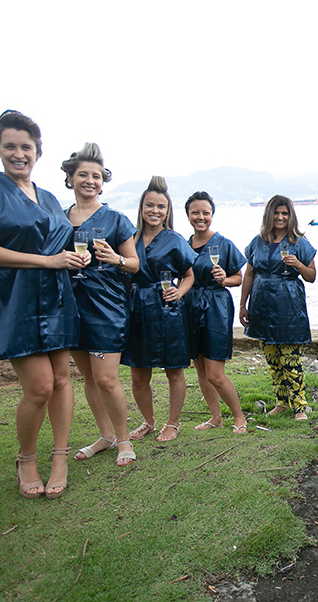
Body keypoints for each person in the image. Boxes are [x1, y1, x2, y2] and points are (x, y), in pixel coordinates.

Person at [0, 110, 83, 498]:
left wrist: (75, 259)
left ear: (37, 152)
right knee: (40, 386)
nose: (18, 153)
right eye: (9, 146)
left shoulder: (49, 199)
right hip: (14, 297)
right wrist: (48, 261)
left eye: (26, 147)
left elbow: (59, 247)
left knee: (62, 380)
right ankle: (26, 458)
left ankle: (60, 457)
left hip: (56, 295)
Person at [61, 143, 140, 466]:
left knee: (107, 378)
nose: (90, 181)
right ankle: (105, 435)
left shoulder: (116, 219)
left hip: (106, 306)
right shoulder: (59, 219)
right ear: (70, 178)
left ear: (103, 182)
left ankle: (124, 439)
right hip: (71, 305)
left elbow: (134, 264)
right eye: (83, 175)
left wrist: (115, 258)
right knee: (89, 378)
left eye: (96, 176)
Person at [123, 177, 197, 442]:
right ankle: (149, 421)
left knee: (173, 370)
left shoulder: (174, 240)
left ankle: (173, 423)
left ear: (168, 211)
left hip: (168, 311)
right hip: (136, 308)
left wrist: (180, 292)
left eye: (161, 206)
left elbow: (189, 276)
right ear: (142, 207)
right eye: (150, 205)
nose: (155, 211)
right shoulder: (129, 238)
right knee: (138, 373)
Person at [239, 195, 317, 420]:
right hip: (261, 303)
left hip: (288, 303)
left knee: (291, 357)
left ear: (290, 216)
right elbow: (249, 274)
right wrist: (243, 305)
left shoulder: (299, 242)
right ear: (269, 215)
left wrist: (298, 264)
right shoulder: (258, 241)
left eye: (285, 213)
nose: (280, 217)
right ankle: (281, 402)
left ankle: (299, 406)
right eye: (276, 212)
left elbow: (311, 276)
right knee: (272, 357)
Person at [184, 191, 248, 434]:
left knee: (215, 373)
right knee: (200, 368)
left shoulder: (223, 243)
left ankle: (239, 417)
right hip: (190, 305)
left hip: (215, 307)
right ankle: (215, 417)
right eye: (195, 212)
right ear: (188, 215)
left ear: (212, 215)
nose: (200, 217)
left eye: (206, 213)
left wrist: (224, 280)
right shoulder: (183, 245)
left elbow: (238, 278)